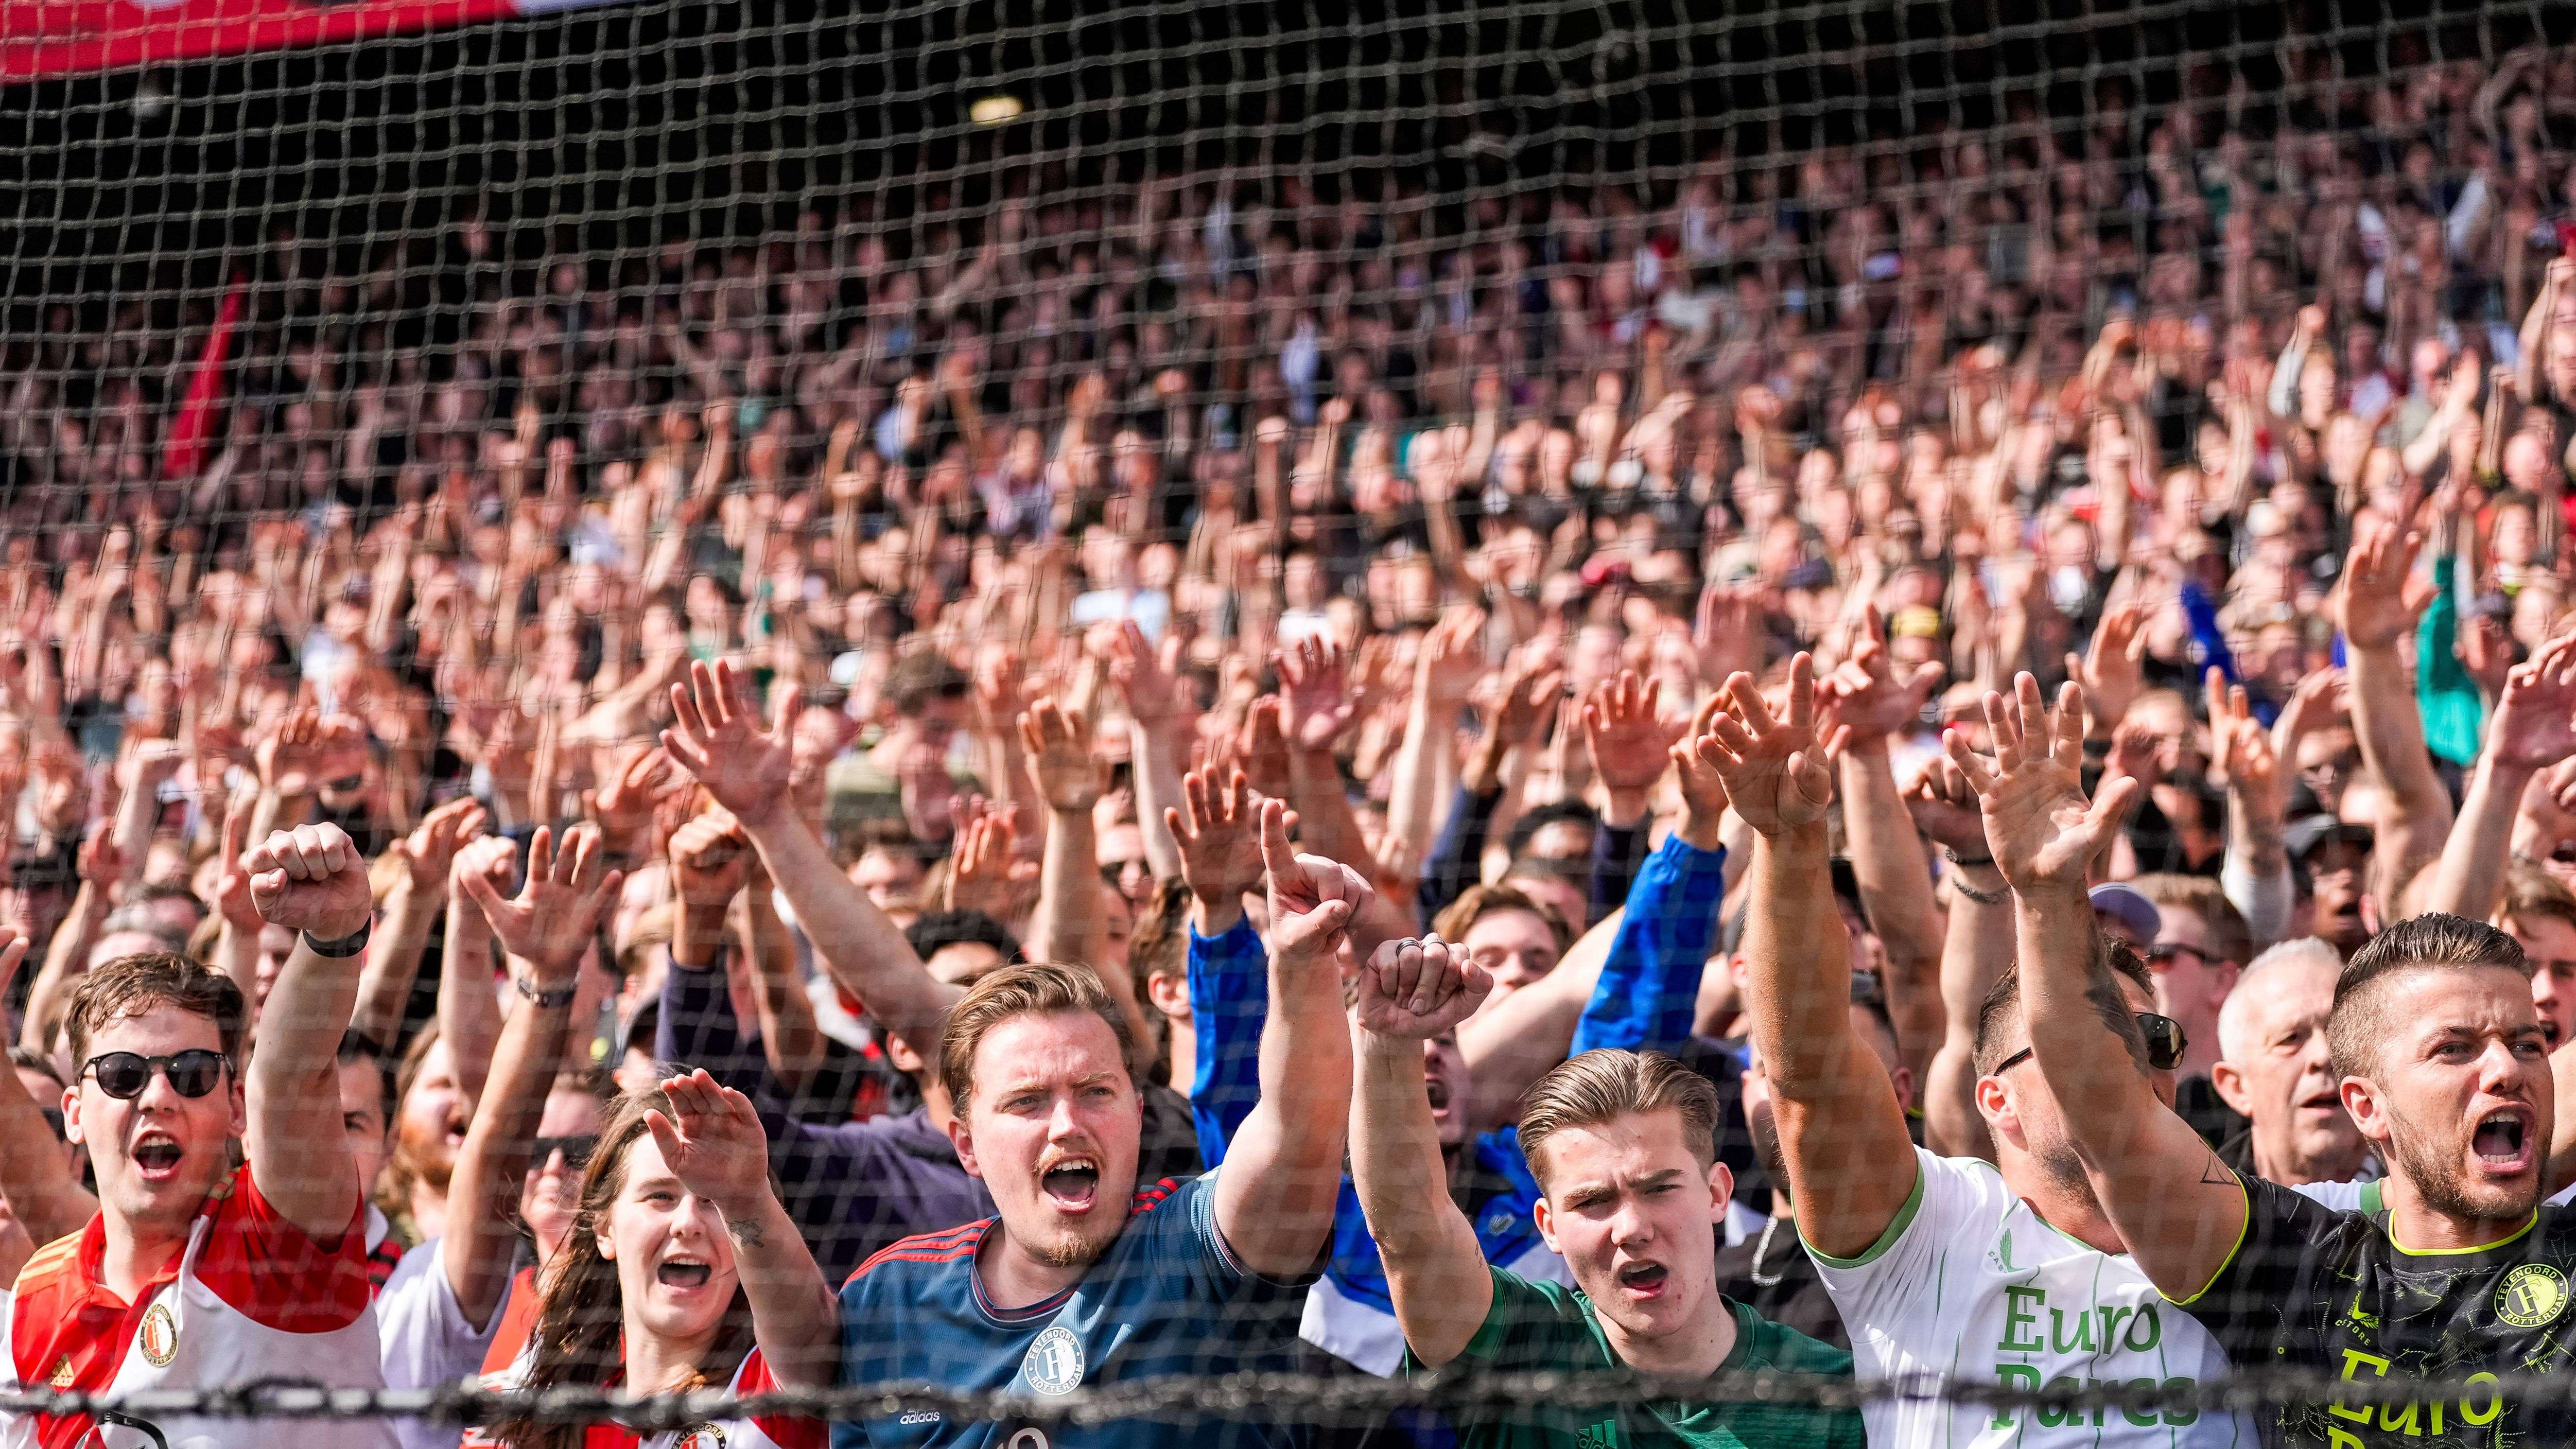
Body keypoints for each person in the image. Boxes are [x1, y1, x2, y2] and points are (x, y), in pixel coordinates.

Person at [1964, 670, 2576, 1447]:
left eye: (2528, 1042)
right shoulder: (2296, 1271)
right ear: (2366, 1104)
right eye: (2453, 1048)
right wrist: (2049, 900)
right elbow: (2106, 1113)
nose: (2506, 1069)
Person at [1712, 657, 2250, 1446]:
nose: (2122, 1061)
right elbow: (1811, 1074)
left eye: (2154, 1039)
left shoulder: (2260, 1234)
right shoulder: (1930, 1233)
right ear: (1992, 1098)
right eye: (2072, 1043)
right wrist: (1789, 843)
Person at [832, 794, 1355, 1448]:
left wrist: (1302, 966)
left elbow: (1297, 1128)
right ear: (966, 1144)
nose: (1066, 1123)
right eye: (1026, 1101)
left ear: (1139, 1113)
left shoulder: (1196, 1251)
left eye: (1095, 1092)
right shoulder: (888, 1299)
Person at [1346, 927, 1860, 1448]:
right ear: (1548, 1225)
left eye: (1659, 1188)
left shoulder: (1830, 1394)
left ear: (1716, 1193)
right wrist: (1386, 1043)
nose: (1633, 1228)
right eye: (1593, 1200)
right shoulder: (1519, 1350)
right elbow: (1409, 1234)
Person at [0, 822, 397, 1449]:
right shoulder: (38, 1292)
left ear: (235, 1105)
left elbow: (290, 1076)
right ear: (74, 1113)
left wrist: (334, 935)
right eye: (123, 1074)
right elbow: (39, 1185)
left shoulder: (277, 1245)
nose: (157, 1095)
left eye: (192, 1074)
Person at [470, 1072, 839, 1449]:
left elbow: (811, 1326)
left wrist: (745, 1197)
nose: (688, 1223)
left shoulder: (769, 1394)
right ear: (605, 1229)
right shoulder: (551, 1419)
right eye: (660, 1196)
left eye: (713, 1200)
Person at [2206, 937, 2371, 1186]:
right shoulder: (2203, 1213)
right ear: (2237, 1087)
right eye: (2290, 1039)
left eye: (2339, 1030)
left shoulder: (2434, 1201)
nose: (2323, 1055)